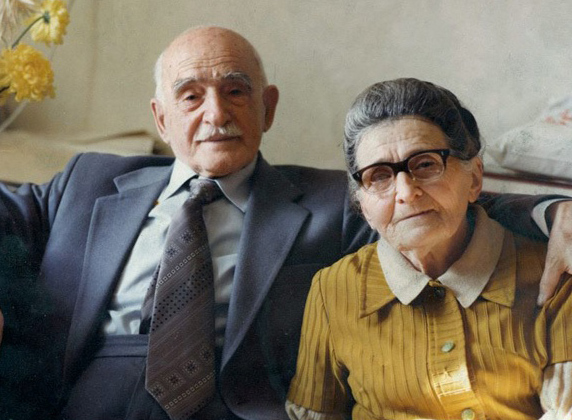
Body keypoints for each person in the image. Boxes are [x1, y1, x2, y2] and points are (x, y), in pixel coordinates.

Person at [0, 27, 569, 420]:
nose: (216, 113)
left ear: (267, 107)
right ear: (161, 117)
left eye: (235, 91)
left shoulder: (335, 198)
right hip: (76, 397)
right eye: (191, 96)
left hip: (235, 407)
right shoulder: (89, 180)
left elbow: (443, 198)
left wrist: (555, 211)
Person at [286, 78, 572, 420]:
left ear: (474, 179)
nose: (407, 193)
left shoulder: (553, 276)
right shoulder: (332, 289)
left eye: (425, 164)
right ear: (362, 205)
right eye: (379, 176)